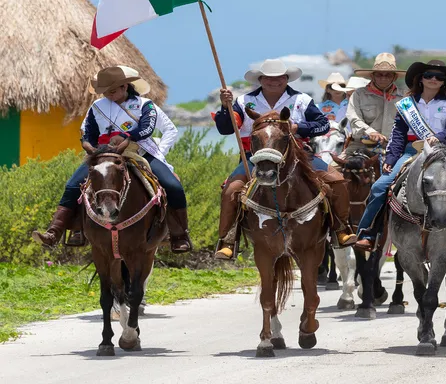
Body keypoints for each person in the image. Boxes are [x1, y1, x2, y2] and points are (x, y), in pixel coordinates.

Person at [32, 66, 191, 252]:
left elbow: (147, 128)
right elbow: (88, 131)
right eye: (105, 91)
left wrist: (128, 138)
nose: (108, 95)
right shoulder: (97, 107)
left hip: (138, 151)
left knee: (172, 185)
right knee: (73, 185)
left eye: (112, 90)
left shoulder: (144, 105)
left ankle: (179, 234)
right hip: (103, 153)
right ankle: (56, 232)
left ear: (125, 86)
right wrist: (87, 144)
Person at [212, 59, 354, 260]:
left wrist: (298, 128)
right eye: (269, 78)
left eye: (279, 77)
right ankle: (227, 240)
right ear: (261, 79)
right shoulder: (244, 102)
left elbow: (322, 125)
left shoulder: (301, 100)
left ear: (286, 79)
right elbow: (225, 128)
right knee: (231, 190)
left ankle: (341, 228)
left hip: (298, 154)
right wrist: (225, 107)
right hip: (256, 156)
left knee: (337, 180)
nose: (274, 81)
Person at [353, 60, 446, 251]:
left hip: (445, 152)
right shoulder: (406, 105)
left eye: (439, 77)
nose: (433, 79)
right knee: (380, 186)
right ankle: (368, 233)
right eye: (428, 75)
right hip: (411, 151)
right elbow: (398, 134)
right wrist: (390, 158)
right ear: (420, 79)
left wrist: (437, 138)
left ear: (444, 82)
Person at [346, 52, 404, 147]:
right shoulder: (359, 95)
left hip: (395, 147)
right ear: (372, 76)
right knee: (337, 162)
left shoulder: (405, 97)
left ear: (395, 77)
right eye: (379, 75)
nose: (383, 78)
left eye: (388, 75)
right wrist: (370, 132)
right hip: (362, 144)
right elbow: (354, 119)